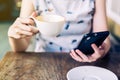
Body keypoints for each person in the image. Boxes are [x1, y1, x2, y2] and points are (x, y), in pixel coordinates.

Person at [8, 0, 111, 62]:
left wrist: (101, 51)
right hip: (43, 59)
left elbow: (103, 38)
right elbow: (21, 47)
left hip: (84, 60)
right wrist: (13, 36)